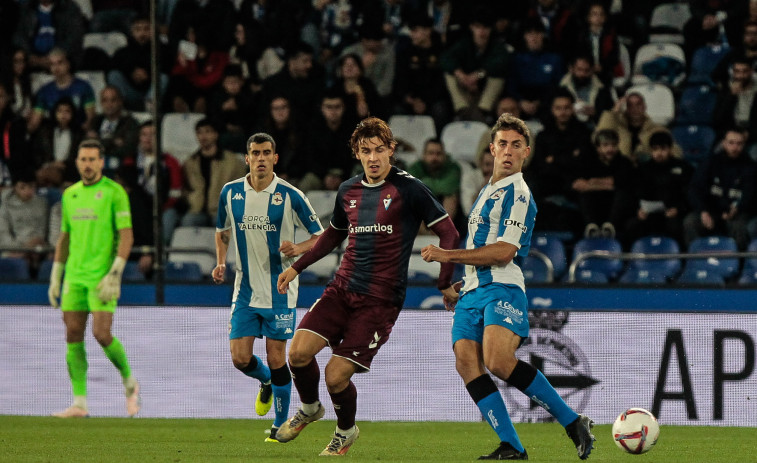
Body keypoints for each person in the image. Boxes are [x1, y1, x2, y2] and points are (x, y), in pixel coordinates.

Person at [275, 117, 460, 456]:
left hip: (380, 301)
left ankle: (345, 431)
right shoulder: (349, 190)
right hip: (341, 289)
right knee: (298, 354)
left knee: (335, 376)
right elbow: (333, 234)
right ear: (357, 154)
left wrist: (444, 281)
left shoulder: (409, 189)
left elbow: (449, 233)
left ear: (391, 150)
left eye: (379, 150)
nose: (373, 158)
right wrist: (296, 268)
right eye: (365, 151)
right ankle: (311, 408)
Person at [419, 113, 595, 461]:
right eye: (503, 144)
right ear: (492, 149)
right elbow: (485, 246)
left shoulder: (518, 193)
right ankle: (511, 445)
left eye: (516, 145)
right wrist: (461, 283)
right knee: (466, 363)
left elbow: (505, 251)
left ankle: (573, 422)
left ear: (526, 152)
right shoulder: (488, 190)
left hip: (502, 288)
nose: (509, 150)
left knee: (499, 361)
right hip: (475, 290)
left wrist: (446, 255)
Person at [212, 132, 324, 442]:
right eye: (255, 153)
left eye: (266, 153)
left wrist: (297, 248)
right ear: (246, 158)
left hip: (280, 288)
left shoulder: (291, 195)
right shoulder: (230, 192)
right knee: (238, 357)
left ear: (275, 158)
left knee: (277, 358)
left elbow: (321, 236)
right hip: (245, 289)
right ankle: (265, 383)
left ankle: (279, 424)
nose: (260, 158)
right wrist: (221, 262)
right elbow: (222, 230)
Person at [47, 138, 141, 418]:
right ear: (76, 162)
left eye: (92, 160)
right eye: (83, 159)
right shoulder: (70, 194)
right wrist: (56, 275)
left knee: (101, 333)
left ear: (101, 162)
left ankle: (129, 381)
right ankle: (80, 403)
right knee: (73, 334)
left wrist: (116, 272)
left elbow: (127, 235)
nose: (87, 165)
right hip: (74, 275)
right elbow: (65, 236)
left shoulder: (114, 192)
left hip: (102, 276)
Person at [180, 118, 248, 226]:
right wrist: (191, 199)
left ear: (215, 135)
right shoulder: (190, 162)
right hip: (197, 209)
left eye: (207, 131)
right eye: (199, 132)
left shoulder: (232, 161)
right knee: (188, 222)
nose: (203, 136)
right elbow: (185, 188)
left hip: (222, 209)